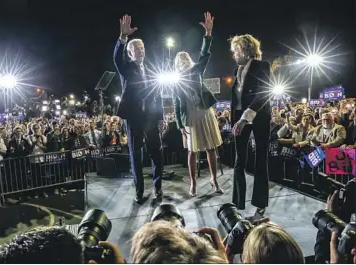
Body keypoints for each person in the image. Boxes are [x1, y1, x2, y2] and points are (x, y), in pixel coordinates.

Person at [113, 14, 163, 203]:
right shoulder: (126, 69)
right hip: (133, 117)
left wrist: (160, 117)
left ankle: (158, 187)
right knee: (136, 155)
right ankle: (139, 191)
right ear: (130, 53)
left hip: (150, 118)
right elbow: (117, 57)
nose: (140, 50)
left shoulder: (151, 71)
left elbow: (157, 96)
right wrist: (123, 38)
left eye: (142, 47)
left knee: (156, 152)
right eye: (136, 48)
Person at [172, 12, 223, 197]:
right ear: (177, 64)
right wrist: (179, 126)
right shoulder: (176, 82)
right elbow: (177, 105)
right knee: (193, 151)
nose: (184, 62)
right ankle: (193, 183)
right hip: (190, 117)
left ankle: (214, 180)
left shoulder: (196, 71)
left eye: (186, 59)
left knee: (211, 148)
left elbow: (204, 55)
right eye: (181, 60)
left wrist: (208, 34)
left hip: (204, 112)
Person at [229, 34, 271, 216]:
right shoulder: (236, 71)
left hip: (258, 116)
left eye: (236, 50)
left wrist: (245, 118)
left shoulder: (262, 66)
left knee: (260, 160)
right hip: (239, 117)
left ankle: (260, 203)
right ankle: (237, 204)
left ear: (246, 49)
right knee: (239, 161)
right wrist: (237, 119)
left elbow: (263, 94)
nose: (234, 54)